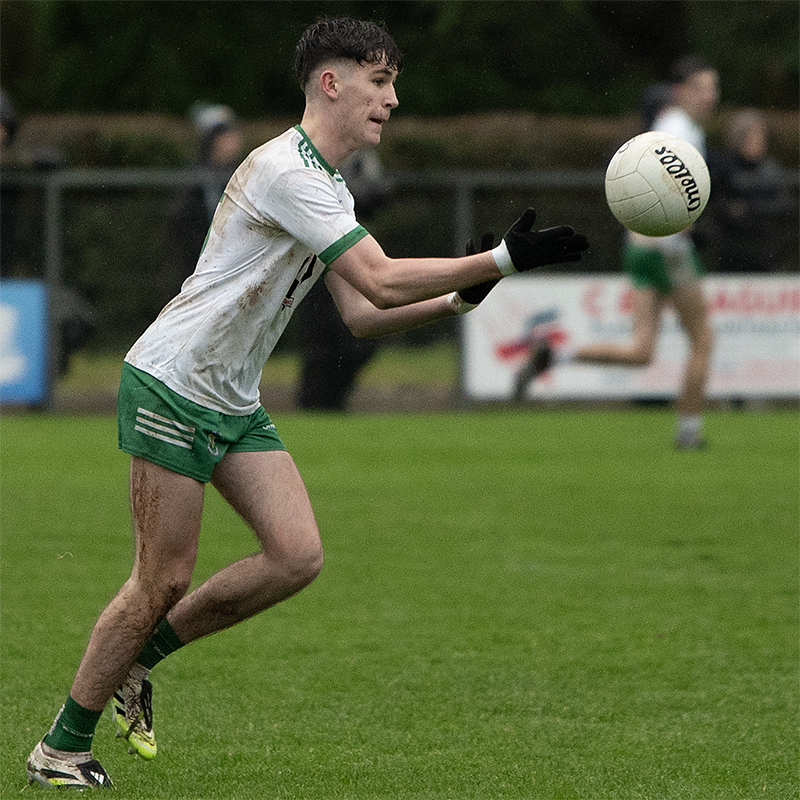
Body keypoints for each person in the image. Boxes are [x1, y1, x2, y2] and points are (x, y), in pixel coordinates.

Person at [26, 17, 588, 789]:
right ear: (331, 82)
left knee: (296, 556)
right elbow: (381, 278)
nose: (392, 99)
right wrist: (501, 258)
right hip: (174, 384)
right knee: (162, 580)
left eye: (392, 84)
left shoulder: (328, 185)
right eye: (380, 81)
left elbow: (361, 311)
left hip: (230, 397)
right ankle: (59, 748)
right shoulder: (286, 171)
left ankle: (139, 660)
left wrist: (464, 296)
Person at [522, 56, 719, 450]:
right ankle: (688, 433)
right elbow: (669, 193)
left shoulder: (666, 125)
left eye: (714, 88)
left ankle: (558, 355)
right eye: (702, 88)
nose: (710, 96)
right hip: (668, 251)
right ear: (680, 92)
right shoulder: (680, 131)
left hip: (639, 248)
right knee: (703, 340)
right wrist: (685, 230)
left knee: (642, 350)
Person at [296, 148, 390, 410]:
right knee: (322, 337)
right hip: (322, 256)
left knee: (356, 338)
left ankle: (333, 397)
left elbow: (378, 195)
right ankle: (315, 401)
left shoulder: (363, 157)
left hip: (350, 251)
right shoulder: (313, 157)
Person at [702, 108, 795, 273]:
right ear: (738, 137)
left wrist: (749, 209)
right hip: (730, 253)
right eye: (750, 136)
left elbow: (784, 206)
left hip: (764, 253)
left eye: (760, 136)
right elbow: (720, 208)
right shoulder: (724, 169)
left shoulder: (772, 171)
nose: (756, 141)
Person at [167, 104, 245, 297]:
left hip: (234, 269)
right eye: (226, 136)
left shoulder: (241, 174)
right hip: (200, 271)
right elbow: (182, 223)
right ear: (213, 141)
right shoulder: (195, 181)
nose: (234, 142)